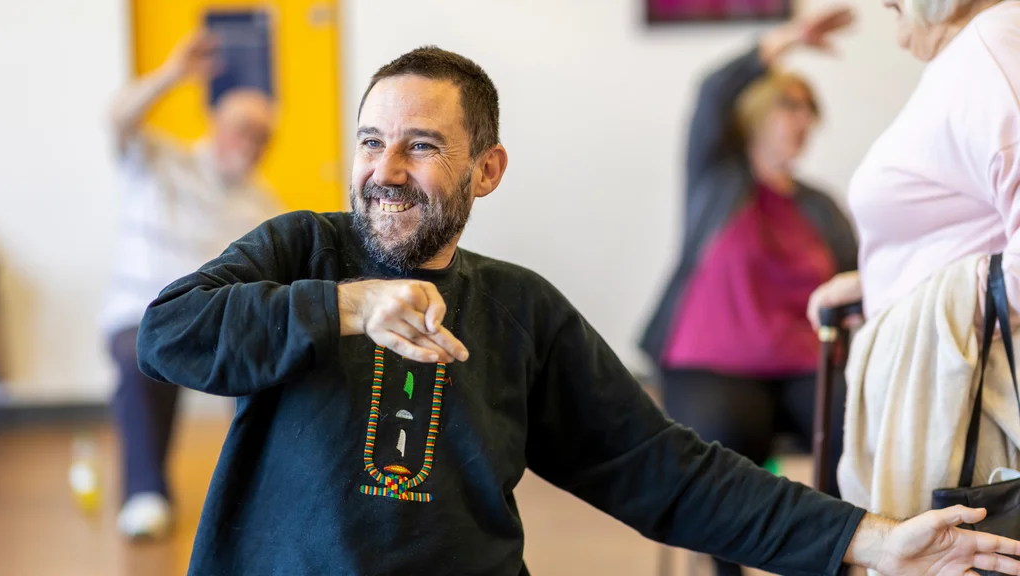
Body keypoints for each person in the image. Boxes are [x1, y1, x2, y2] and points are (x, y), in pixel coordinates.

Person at [135, 46, 1020, 575]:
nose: (385, 169)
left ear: (487, 169)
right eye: (370, 142)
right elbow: (169, 334)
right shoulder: (303, 252)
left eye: (421, 145)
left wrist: (871, 540)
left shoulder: (519, 313)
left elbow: (667, 473)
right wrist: (345, 306)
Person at [638, 10, 858, 573]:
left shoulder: (821, 207)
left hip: (799, 359)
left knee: (849, 419)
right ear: (757, 115)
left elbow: (858, 288)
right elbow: (713, 90)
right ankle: (727, 567)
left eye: (810, 109)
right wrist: (786, 39)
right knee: (724, 436)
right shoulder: (718, 179)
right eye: (790, 105)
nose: (803, 120)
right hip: (710, 360)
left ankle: (832, 552)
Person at [807, 0, 1020, 525]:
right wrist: (879, 285)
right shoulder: (972, 50)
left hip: (971, 407)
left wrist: (941, 303)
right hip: (949, 395)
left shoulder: (994, 46)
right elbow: (974, 227)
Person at [104, 30, 283, 539]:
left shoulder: (264, 205)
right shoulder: (160, 162)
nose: (251, 145)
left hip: (214, 325)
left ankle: (256, 496)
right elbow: (116, 119)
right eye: (243, 129)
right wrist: (172, 76)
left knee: (271, 353)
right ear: (216, 124)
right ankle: (145, 496)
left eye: (263, 137)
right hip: (140, 312)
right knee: (137, 349)